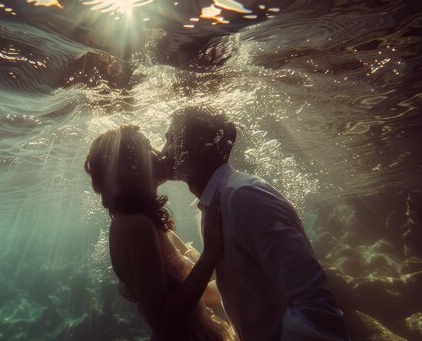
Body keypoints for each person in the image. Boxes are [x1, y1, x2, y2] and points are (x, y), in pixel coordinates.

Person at [160, 106, 349, 340]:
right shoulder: (213, 205)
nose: (162, 151)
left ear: (199, 144)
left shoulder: (244, 197)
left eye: (169, 140)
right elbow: (246, 284)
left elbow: (315, 307)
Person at [84, 125, 236, 340]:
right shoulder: (136, 226)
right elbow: (162, 320)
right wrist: (210, 254)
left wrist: (249, 281)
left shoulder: (150, 224)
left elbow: (201, 296)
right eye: (147, 146)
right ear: (128, 166)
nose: (159, 152)